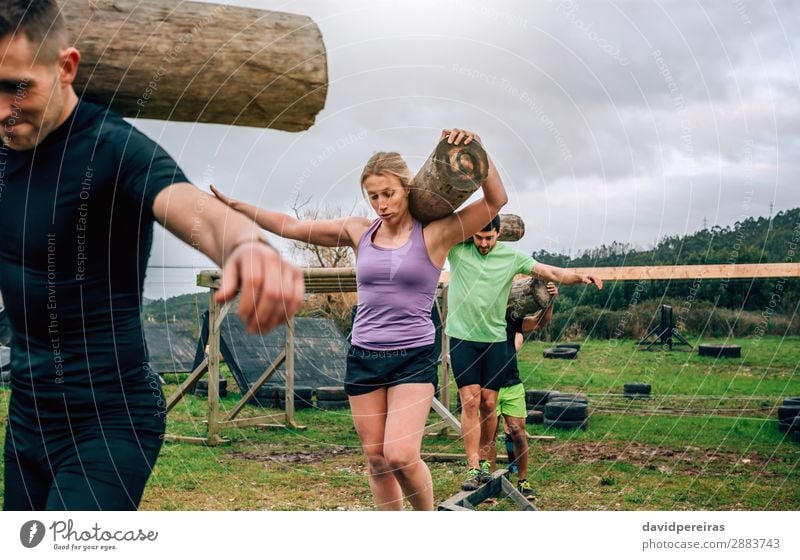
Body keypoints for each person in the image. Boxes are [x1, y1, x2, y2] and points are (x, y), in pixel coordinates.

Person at [0, 0, 305, 511]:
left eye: (17, 86)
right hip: (28, 414)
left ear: (66, 66)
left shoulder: (114, 148)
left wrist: (248, 247)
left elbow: (186, 202)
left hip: (109, 418)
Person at [211, 128, 508, 510]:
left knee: (400, 454)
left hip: (412, 357)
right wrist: (236, 205)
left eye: (389, 194)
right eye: (374, 196)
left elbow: (496, 199)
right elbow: (291, 226)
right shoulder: (359, 231)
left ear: (407, 188)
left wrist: (476, 148)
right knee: (377, 462)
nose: (381, 204)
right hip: (364, 357)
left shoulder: (436, 233)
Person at [447, 217, 602, 491]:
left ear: (498, 234)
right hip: (462, 337)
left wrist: (579, 277)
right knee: (470, 401)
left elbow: (550, 273)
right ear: (472, 234)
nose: (483, 244)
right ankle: (473, 466)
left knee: (488, 404)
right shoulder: (457, 249)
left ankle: (485, 462)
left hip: (494, 339)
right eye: (478, 238)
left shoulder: (510, 256)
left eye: (489, 238)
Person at [491, 282, 558, 497]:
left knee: (519, 434)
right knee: (489, 438)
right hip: (487, 386)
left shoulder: (510, 319)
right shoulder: (477, 320)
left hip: (511, 384)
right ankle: (490, 484)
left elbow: (539, 322)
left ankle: (522, 480)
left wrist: (549, 301)